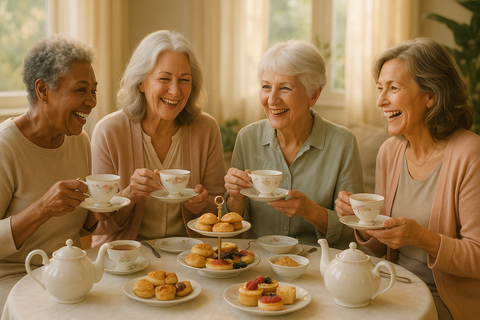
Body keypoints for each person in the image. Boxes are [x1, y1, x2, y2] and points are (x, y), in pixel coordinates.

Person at [335, 37, 480, 320]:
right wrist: (363, 223)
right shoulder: (390, 152)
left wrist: (423, 238)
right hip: (390, 286)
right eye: (380, 89)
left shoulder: (470, 154)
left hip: (444, 301)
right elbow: (383, 246)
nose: (380, 101)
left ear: (431, 95)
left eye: (393, 88)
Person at [0, 34, 109, 312]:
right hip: (13, 280)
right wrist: (42, 209)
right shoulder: (6, 147)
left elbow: (80, 228)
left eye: (94, 91)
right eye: (81, 90)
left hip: (66, 274)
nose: (92, 102)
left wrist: (96, 213)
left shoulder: (79, 140)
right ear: (43, 90)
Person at [91, 30, 225, 246]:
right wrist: (129, 195)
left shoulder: (206, 129)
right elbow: (99, 225)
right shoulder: (109, 132)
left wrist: (204, 205)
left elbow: (219, 208)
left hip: (189, 255)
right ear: (141, 83)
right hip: (124, 256)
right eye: (164, 78)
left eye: (184, 80)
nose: (175, 91)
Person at [224, 40, 364, 247]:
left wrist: (310, 211)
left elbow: (352, 232)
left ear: (314, 93)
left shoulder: (343, 143)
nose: (272, 100)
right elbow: (234, 223)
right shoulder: (247, 138)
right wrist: (235, 196)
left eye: (285, 88)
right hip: (258, 261)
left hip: (317, 263)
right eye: (266, 87)